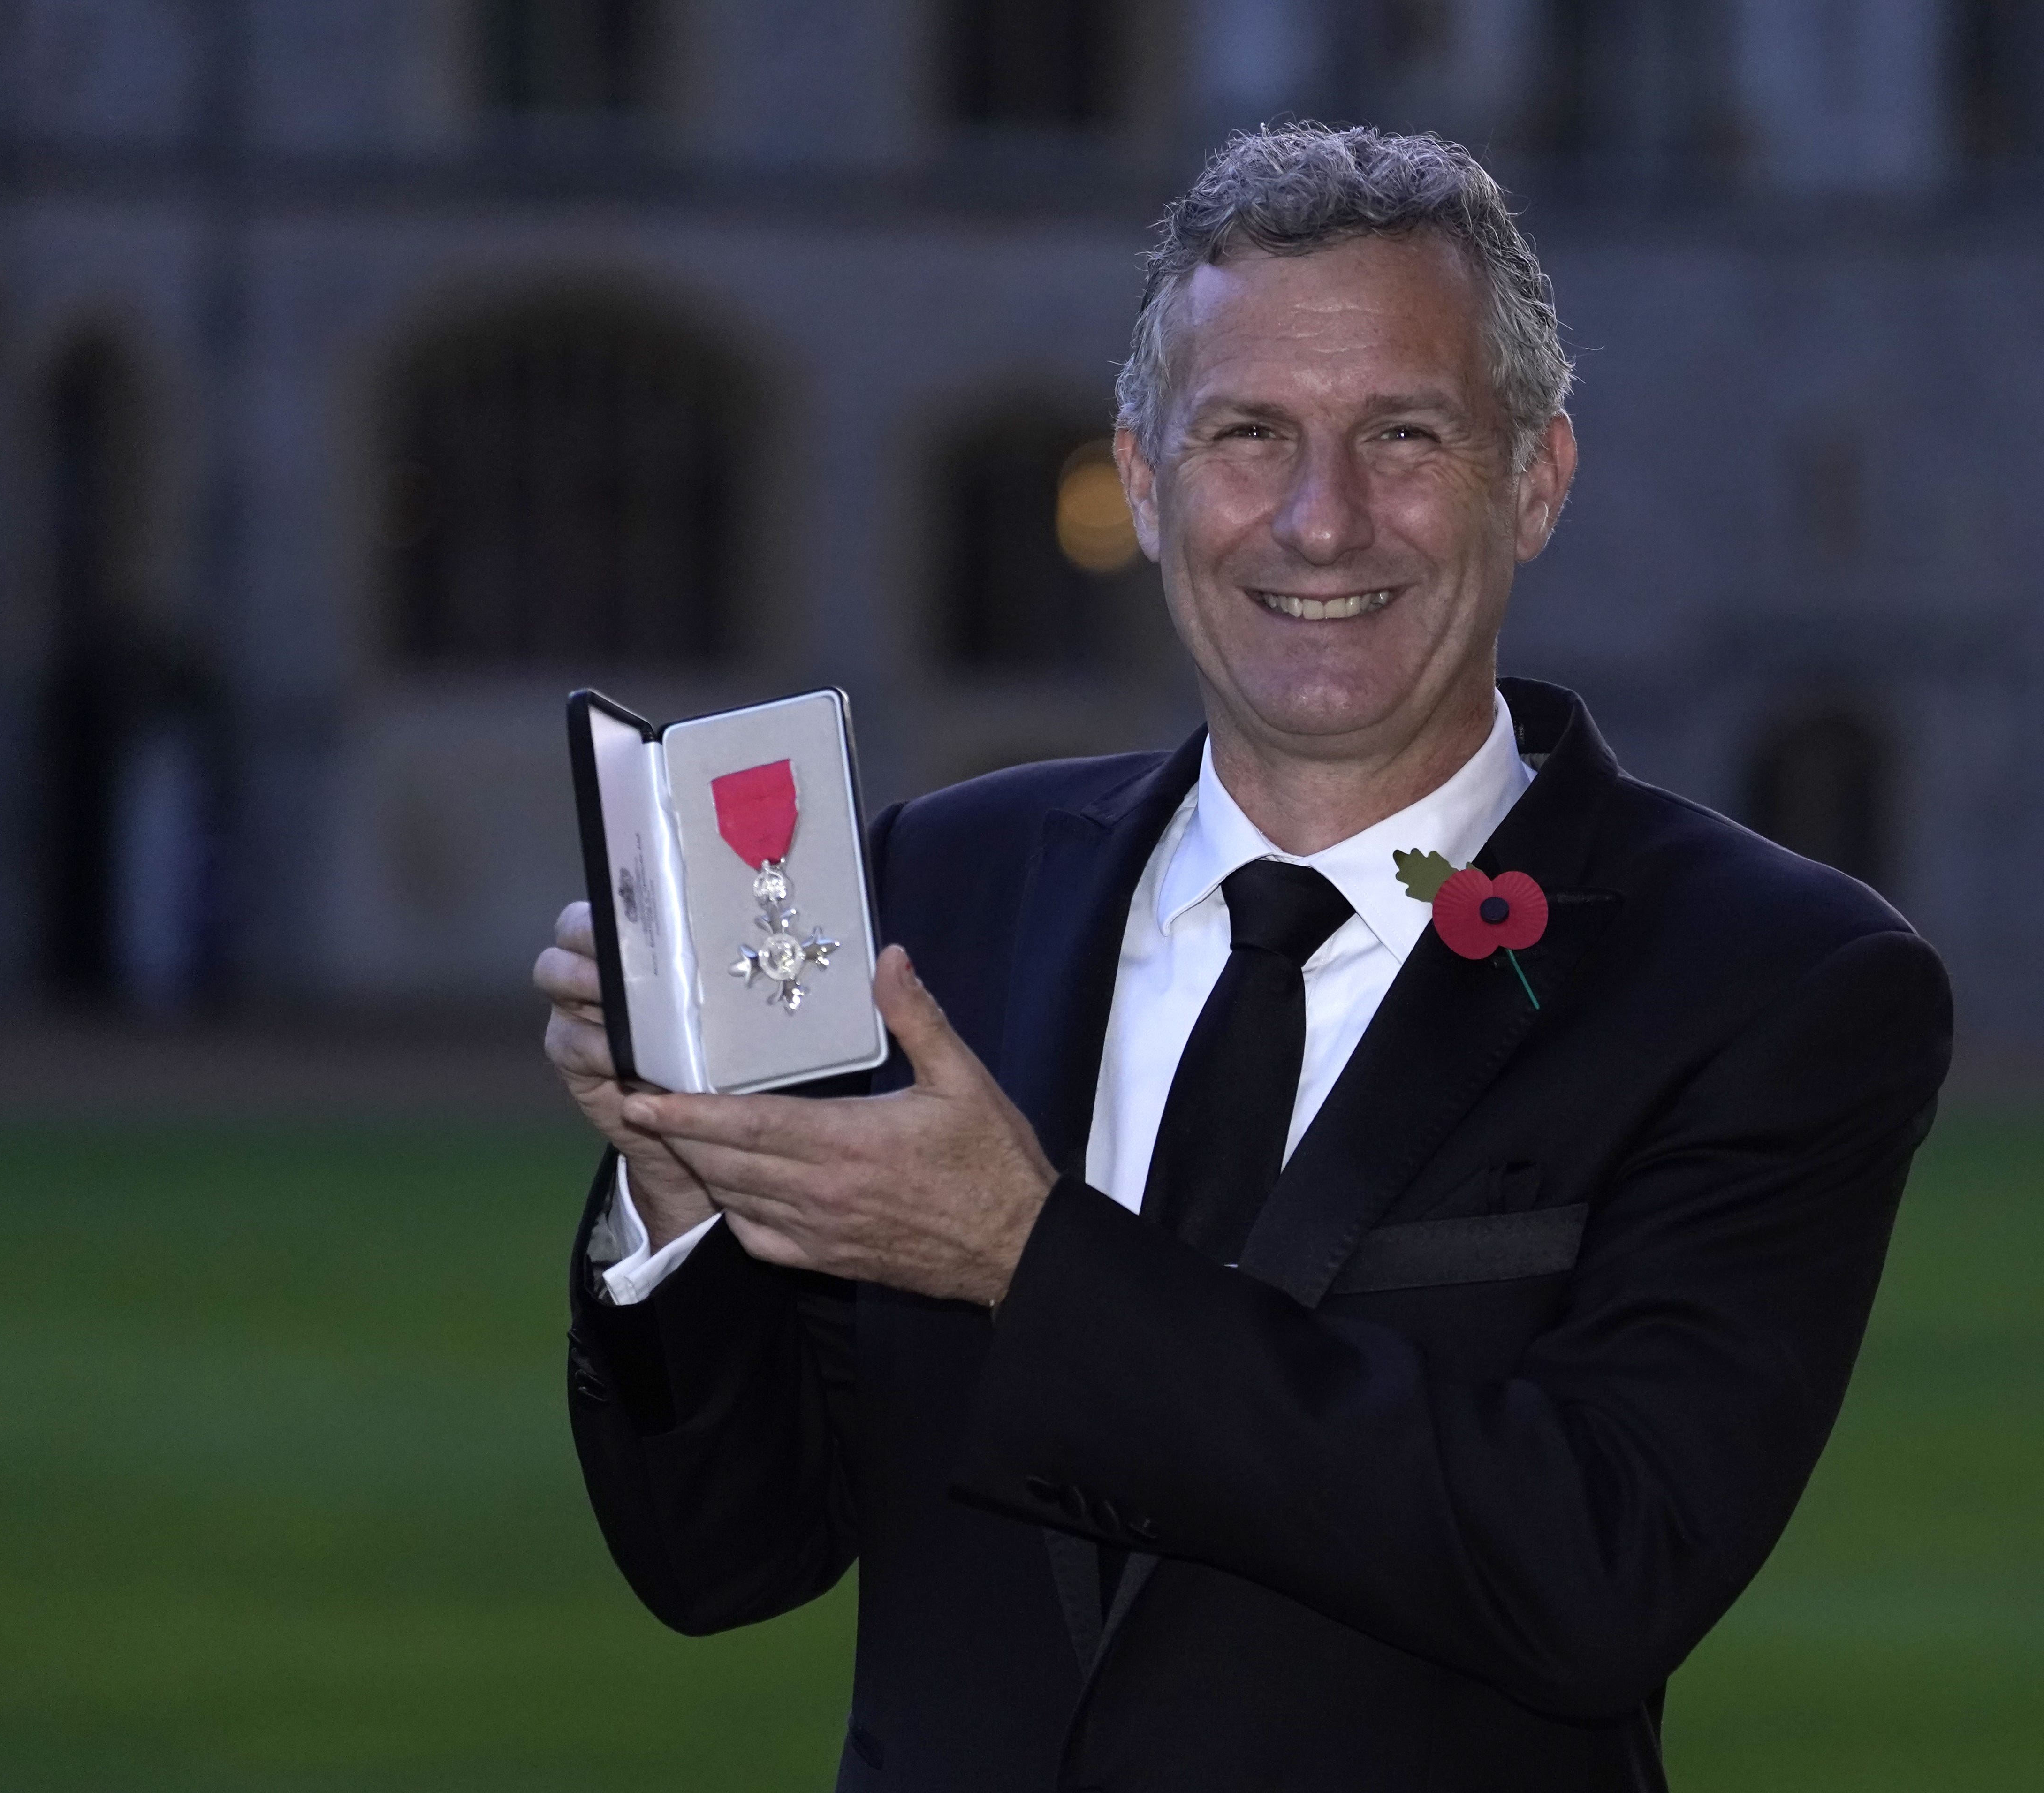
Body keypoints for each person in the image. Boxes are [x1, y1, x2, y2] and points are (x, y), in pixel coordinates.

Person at [536, 125, 1952, 1793]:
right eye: (1248, 435)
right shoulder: (936, 885)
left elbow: (1597, 1566)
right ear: (1144, 483)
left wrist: (1023, 1255)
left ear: (1539, 481)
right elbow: (726, 1559)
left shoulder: (1771, 981)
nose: (1320, 521)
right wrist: (684, 1196)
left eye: (1404, 436)